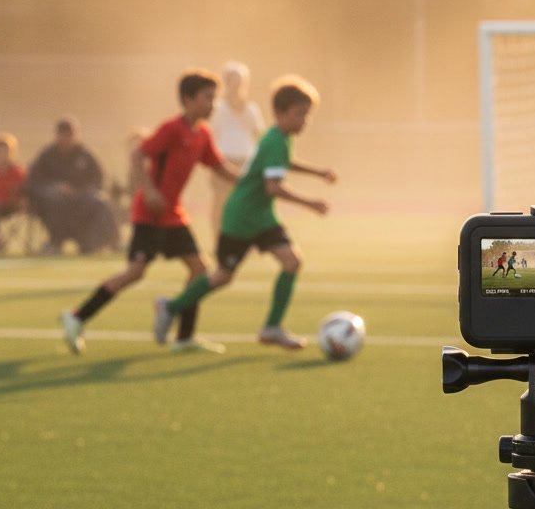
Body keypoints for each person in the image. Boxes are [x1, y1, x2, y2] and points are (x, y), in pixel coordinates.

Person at [59, 71, 238, 356]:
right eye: (207, 98)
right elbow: (137, 156)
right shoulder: (171, 129)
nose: (213, 104)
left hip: (174, 215)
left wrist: (248, 182)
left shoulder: (203, 134)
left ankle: (184, 337)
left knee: (199, 270)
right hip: (150, 214)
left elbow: (218, 166)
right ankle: (77, 317)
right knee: (135, 272)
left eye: (214, 98)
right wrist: (149, 191)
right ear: (188, 99)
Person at [153, 75, 335, 351]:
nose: (304, 122)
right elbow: (273, 187)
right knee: (222, 276)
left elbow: (284, 163)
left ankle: (271, 328)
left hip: (261, 218)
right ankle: (171, 306)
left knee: (291, 261)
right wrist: (310, 203)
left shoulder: (281, 138)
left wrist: (318, 172)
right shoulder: (275, 139)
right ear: (280, 113)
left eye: (307, 116)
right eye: (299, 114)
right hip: (241, 219)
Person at [26, 117, 120, 254]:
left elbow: (98, 179)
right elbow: (34, 180)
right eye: (62, 134)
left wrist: (79, 190)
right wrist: (55, 186)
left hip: (82, 196)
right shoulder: (47, 155)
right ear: (56, 135)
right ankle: (56, 241)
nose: (66, 138)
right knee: (54, 199)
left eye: (69, 134)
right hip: (54, 199)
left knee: (100, 201)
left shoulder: (85, 154)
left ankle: (102, 241)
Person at [209, 61, 263, 238]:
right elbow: (212, 134)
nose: (236, 84)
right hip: (223, 158)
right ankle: (218, 238)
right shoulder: (217, 108)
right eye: (232, 80)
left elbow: (258, 134)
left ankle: (248, 238)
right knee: (221, 202)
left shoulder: (251, 108)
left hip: (246, 159)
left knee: (247, 202)